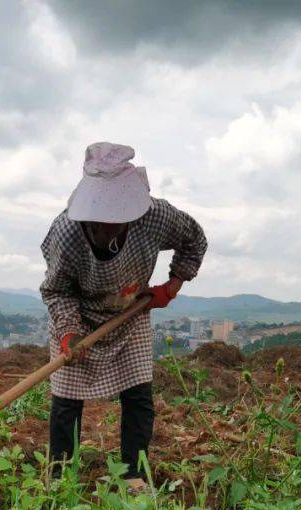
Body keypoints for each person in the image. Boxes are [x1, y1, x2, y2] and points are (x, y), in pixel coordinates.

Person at [40, 142, 207, 491]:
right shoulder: (66, 233)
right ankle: (59, 478)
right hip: (79, 317)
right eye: (97, 222)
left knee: (138, 396)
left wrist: (172, 285)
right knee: (66, 402)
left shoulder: (155, 217)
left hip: (130, 312)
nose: (104, 228)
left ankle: (134, 475)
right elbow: (56, 290)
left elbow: (194, 239)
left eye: (114, 221)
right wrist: (69, 333)